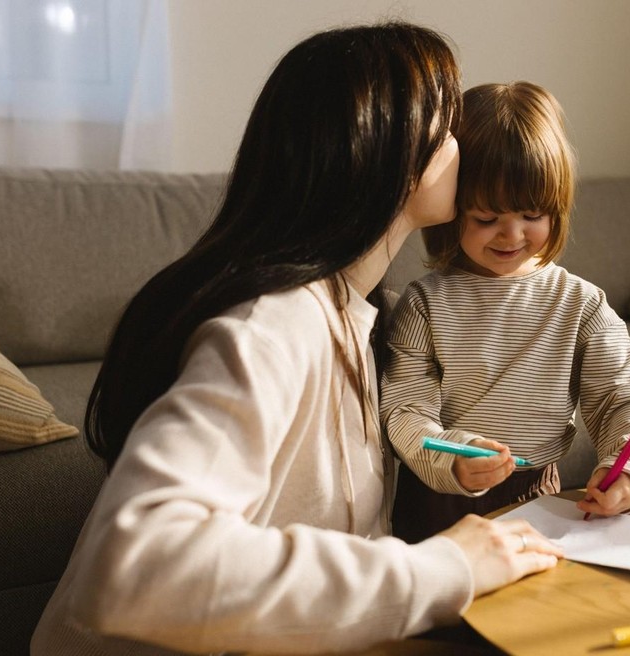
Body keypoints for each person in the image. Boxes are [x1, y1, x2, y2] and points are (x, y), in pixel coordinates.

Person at [31, 24, 562, 656]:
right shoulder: (274, 325)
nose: (462, 145)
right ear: (392, 151)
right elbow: (135, 567)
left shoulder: (357, 313)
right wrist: (447, 567)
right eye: (448, 127)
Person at [380, 81, 630, 543]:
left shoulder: (583, 304)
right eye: (486, 218)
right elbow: (404, 410)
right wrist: (455, 456)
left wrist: (626, 472)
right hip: (436, 499)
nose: (512, 235)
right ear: (452, 211)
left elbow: (623, 399)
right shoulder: (425, 303)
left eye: (532, 214)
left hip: (536, 497)